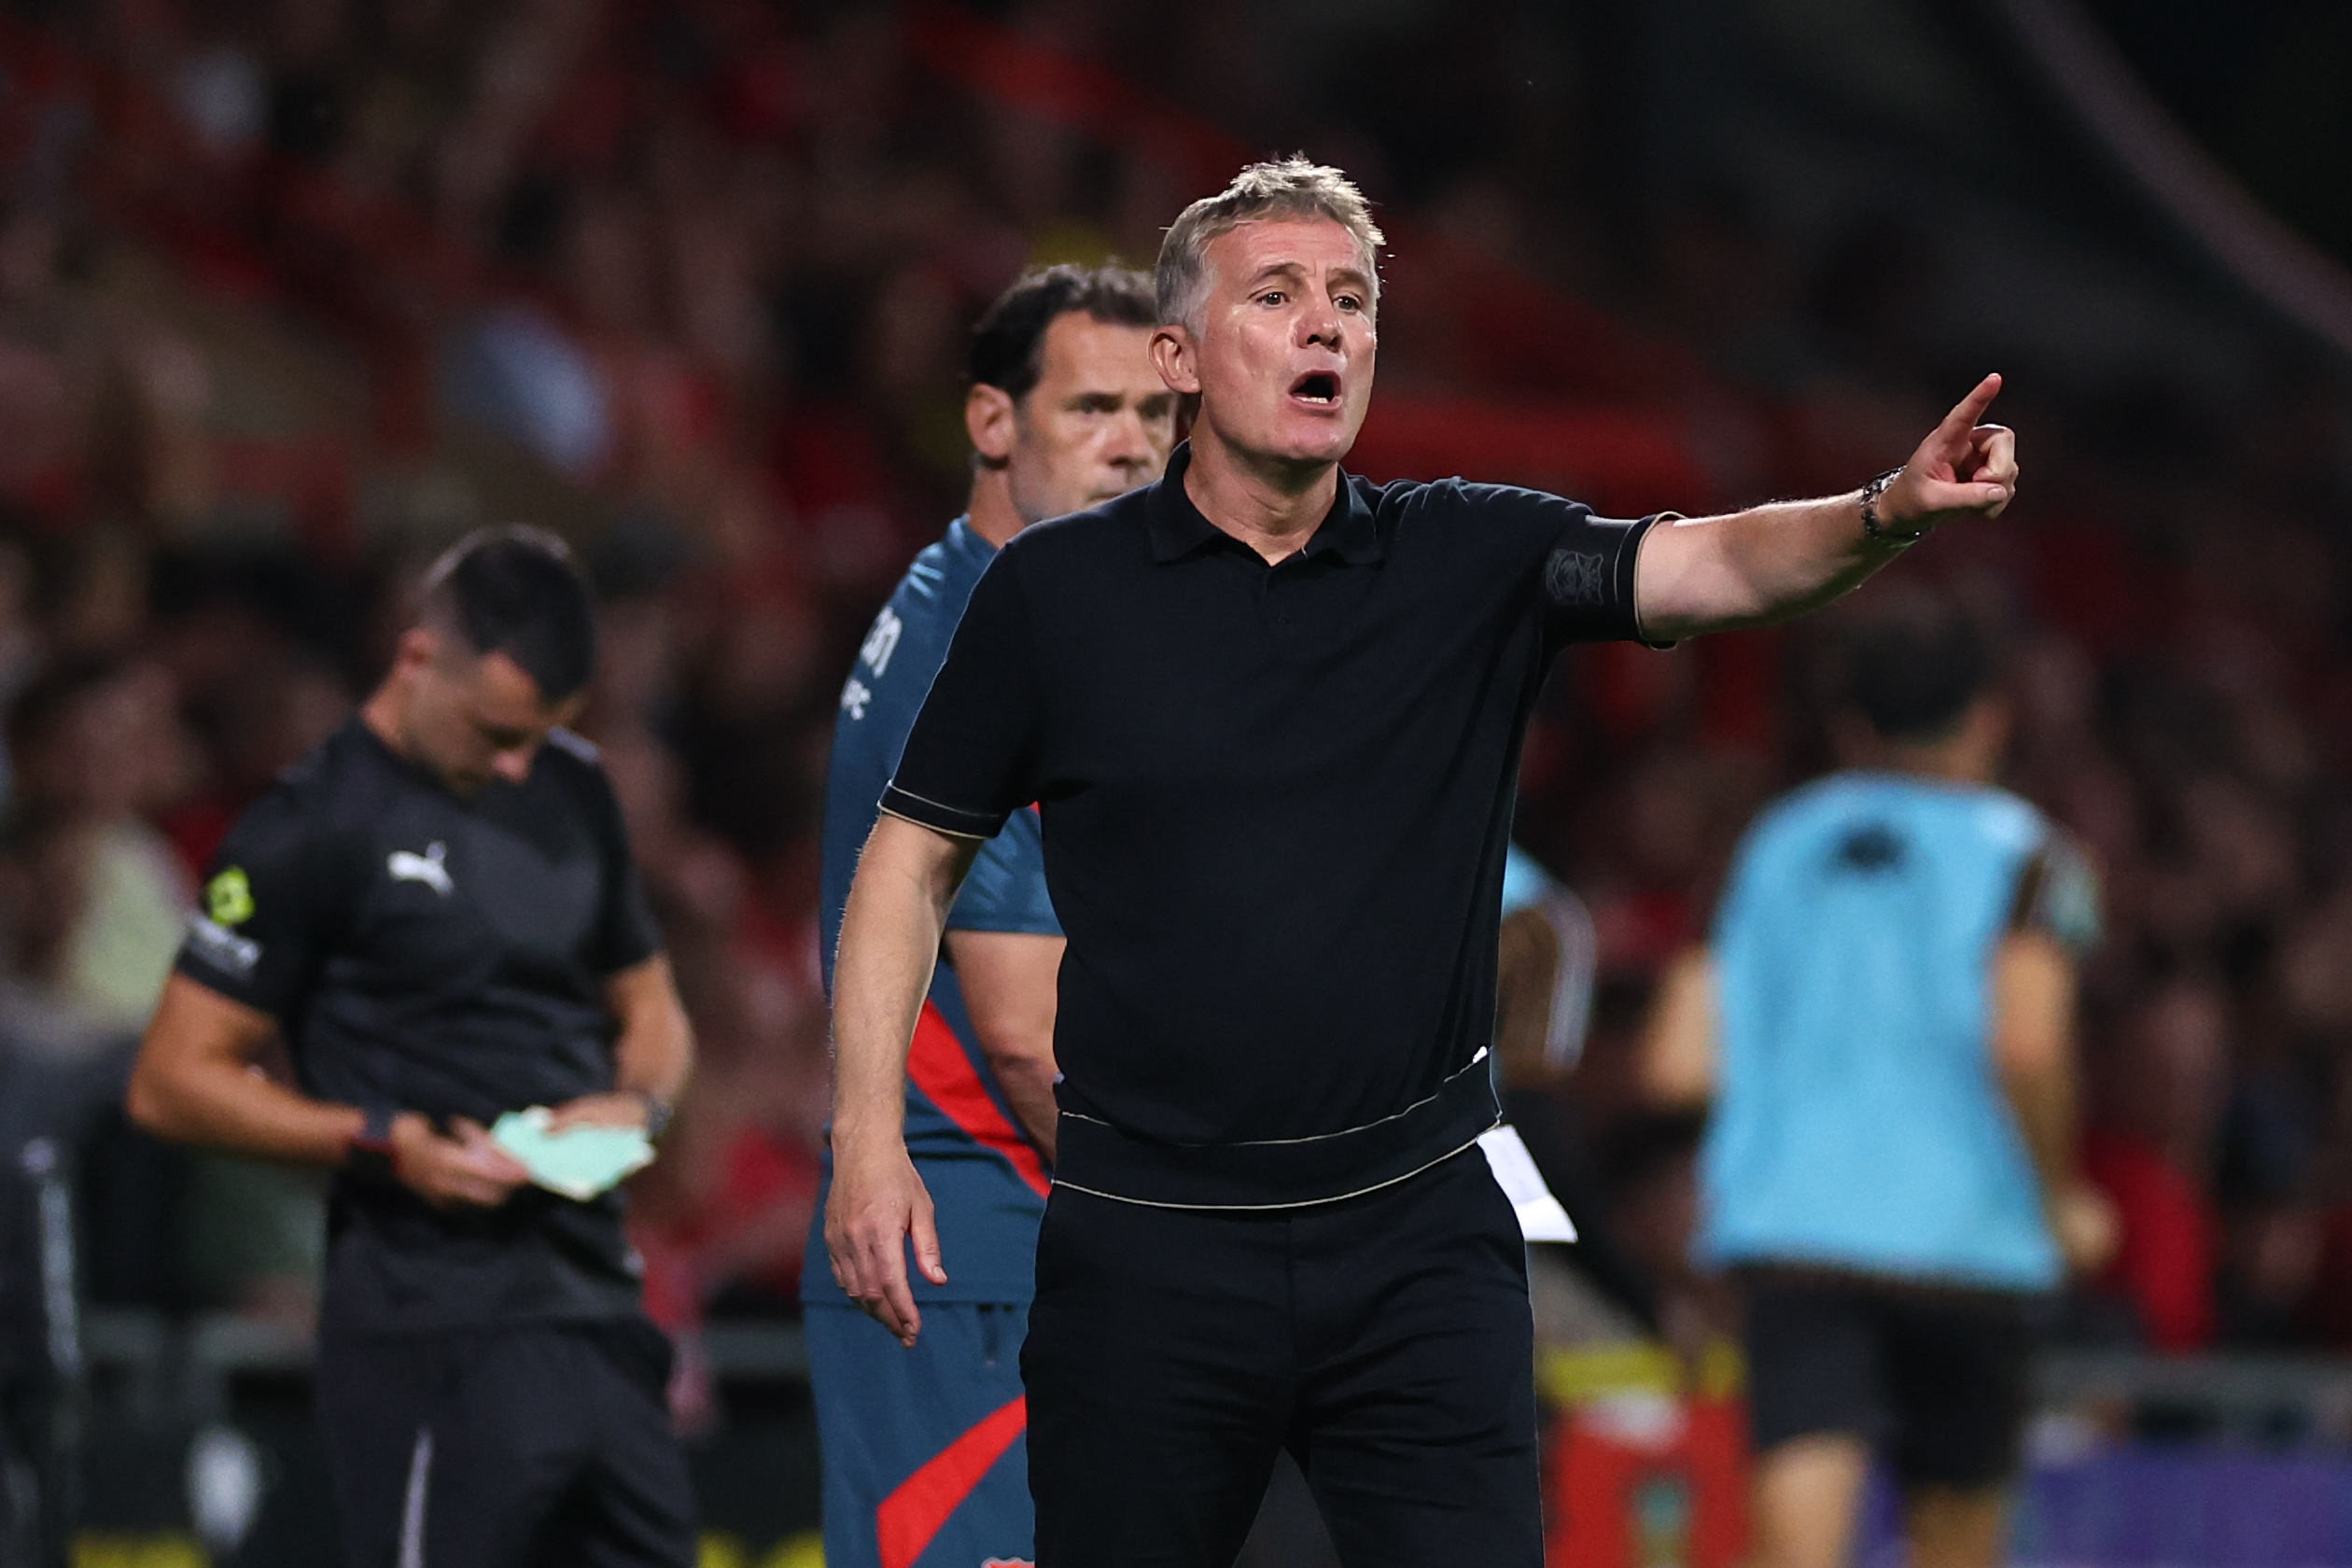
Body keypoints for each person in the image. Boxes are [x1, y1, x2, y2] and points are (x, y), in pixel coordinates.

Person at [825, 158, 2020, 1568]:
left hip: (1416, 1241)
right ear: (1180, 356)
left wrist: (1882, 508)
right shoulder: (1057, 596)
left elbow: (1717, 569)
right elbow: (909, 862)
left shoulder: (1473, 557)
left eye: (1352, 299)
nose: (1327, 326)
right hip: (1151, 1245)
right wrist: (863, 1137)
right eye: (1278, 296)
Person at [127, 526, 698, 1568]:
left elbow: (652, 1004)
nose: (518, 761)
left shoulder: (572, 788)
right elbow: (171, 1082)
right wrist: (385, 1141)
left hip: (594, 1309)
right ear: (419, 659)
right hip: (428, 1323)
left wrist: (640, 1104)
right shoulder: (307, 828)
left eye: (544, 732)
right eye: (497, 730)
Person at [807, 263, 1176, 1568]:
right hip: (979, 1257)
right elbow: (1022, 1033)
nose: (1134, 445)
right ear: (991, 422)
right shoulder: (994, 645)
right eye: (1092, 409)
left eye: (1157, 412)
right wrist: (1209, 1218)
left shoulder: (960, 593)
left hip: (994, 1243)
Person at [1642, 595, 2113, 1568]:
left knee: (1797, 1548)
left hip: (1799, 1247)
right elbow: (2027, 1041)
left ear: (1851, 722)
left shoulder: (1765, 847)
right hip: (1971, 1252)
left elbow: (1678, 1063)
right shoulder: (2038, 859)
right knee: (1955, 1543)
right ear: (1992, 715)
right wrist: (2059, 1196)